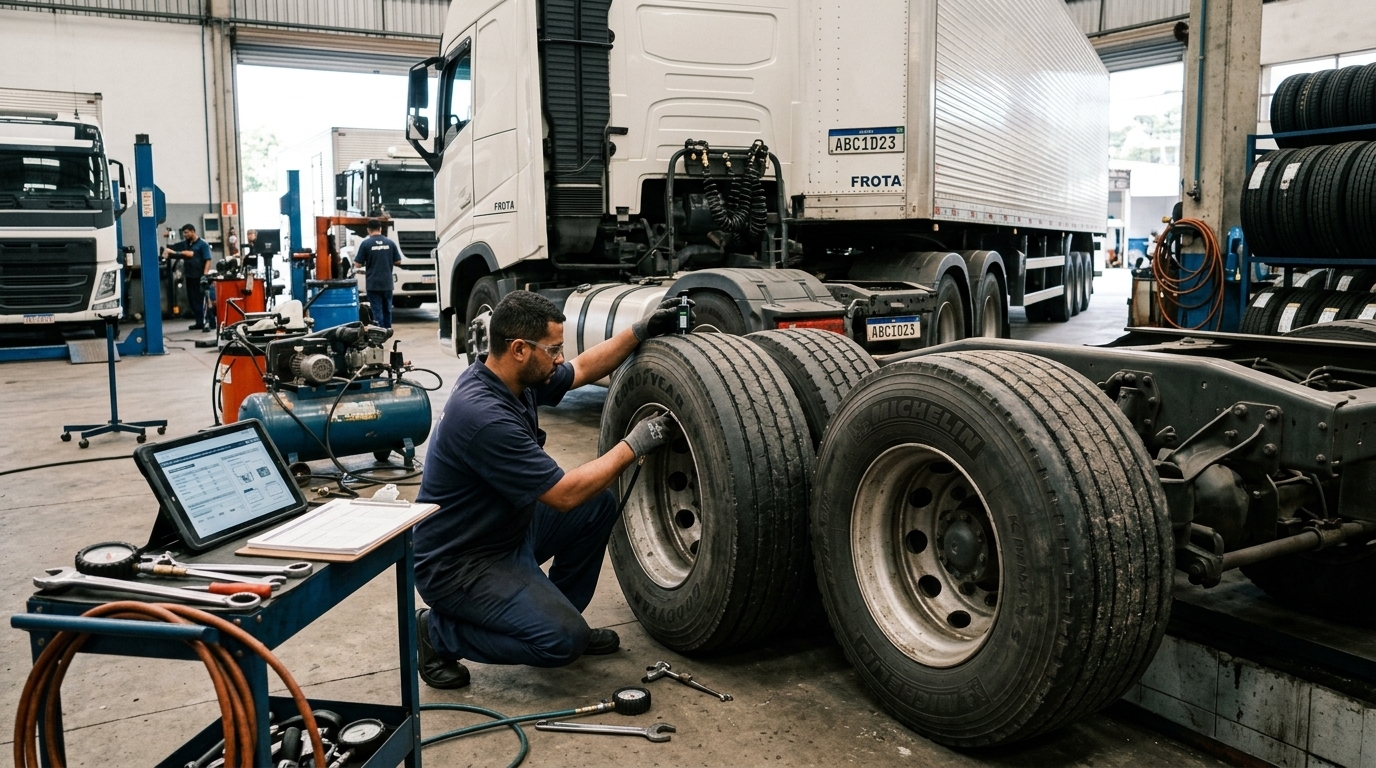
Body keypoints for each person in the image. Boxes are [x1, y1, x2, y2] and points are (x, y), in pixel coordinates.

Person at [413, 290, 689, 689]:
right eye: (553, 348)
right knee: (562, 643)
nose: (559, 357)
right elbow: (563, 494)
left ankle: (554, 612)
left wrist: (640, 331)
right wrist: (634, 443)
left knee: (596, 506)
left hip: (504, 530)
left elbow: (580, 370)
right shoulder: (482, 415)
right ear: (520, 349)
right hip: (460, 563)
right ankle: (437, 634)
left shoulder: (512, 378)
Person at [352, 219, 403, 328]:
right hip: (387, 283)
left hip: (373, 283)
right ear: (380, 229)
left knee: (377, 310)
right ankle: (387, 330)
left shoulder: (366, 244)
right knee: (387, 309)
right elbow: (398, 261)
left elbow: (357, 264)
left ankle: (379, 332)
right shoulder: (390, 243)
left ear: (368, 230)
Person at [162, 223, 213, 331]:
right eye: (183, 233)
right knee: (193, 300)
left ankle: (210, 322)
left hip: (200, 277)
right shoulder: (186, 244)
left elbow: (208, 259)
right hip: (190, 276)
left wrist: (205, 275)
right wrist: (167, 246)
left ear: (193, 231)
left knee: (202, 300)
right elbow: (174, 248)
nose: (184, 235)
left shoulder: (203, 244)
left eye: (186, 232)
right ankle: (199, 322)